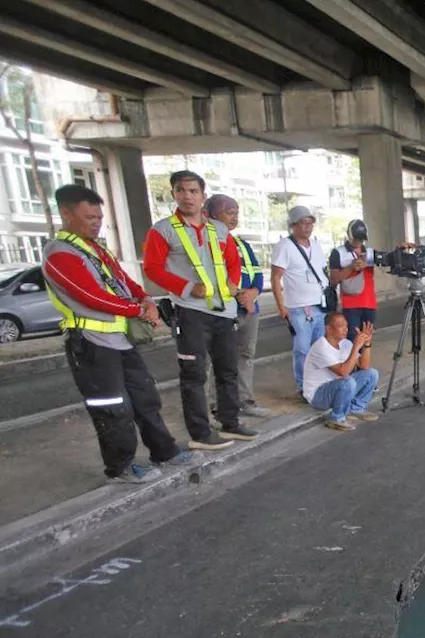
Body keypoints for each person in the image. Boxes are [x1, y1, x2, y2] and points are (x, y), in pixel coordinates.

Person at [42, 184, 195, 483]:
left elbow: (124, 281)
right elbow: (91, 297)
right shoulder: (59, 254)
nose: (97, 222)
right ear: (66, 213)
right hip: (91, 345)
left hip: (120, 341)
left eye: (99, 216)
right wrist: (137, 310)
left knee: (145, 398)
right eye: (89, 217)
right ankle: (121, 467)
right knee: (112, 408)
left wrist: (146, 299)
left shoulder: (95, 250)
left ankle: (164, 452)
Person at [144, 170, 255, 450]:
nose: (187, 196)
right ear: (173, 194)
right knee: (194, 374)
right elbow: (153, 268)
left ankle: (230, 421)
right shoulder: (163, 230)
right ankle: (200, 433)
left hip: (223, 311)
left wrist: (233, 282)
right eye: (181, 191)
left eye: (193, 191)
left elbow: (232, 260)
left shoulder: (218, 229)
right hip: (189, 311)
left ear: (203, 196)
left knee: (227, 369)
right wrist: (185, 287)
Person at [204, 194, 271, 418]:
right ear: (212, 215)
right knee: (221, 358)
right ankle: (218, 404)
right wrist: (242, 296)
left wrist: (252, 293)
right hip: (224, 310)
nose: (235, 217)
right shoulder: (207, 242)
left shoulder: (242, 244)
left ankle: (245, 400)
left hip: (249, 310)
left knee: (245, 356)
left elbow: (257, 273)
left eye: (236, 212)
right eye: (229, 212)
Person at [271, 206, 329, 398]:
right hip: (299, 308)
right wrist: (281, 307)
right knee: (302, 349)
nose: (308, 227)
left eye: (310, 222)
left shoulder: (316, 245)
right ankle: (303, 387)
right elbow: (275, 278)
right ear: (293, 225)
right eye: (303, 223)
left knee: (319, 348)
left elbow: (322, 271)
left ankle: (318, 382)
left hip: (319, 305)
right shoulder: (285, 246)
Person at [302, 312, 380, 431]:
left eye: (346, 326)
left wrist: (367, 344)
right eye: (341, 326)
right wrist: (356, 347)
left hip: (338, 387)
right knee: (347, 381)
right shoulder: (321, 347)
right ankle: (336, 417)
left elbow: (364, 366)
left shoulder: (345, 344)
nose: (345, 329)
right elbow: (343, 372)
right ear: (329, 329)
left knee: (372, 374)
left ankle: (355, 408)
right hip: (318, 396)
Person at [329, 219, 377, 342]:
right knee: (352, 340)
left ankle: (365, 362)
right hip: (351, 306)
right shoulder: (338, 253)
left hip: (369, 303)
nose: (359, 242)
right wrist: (351, 267)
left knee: (367, 340)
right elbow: (334, 280)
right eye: (356, 238)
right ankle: (352, 362)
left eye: (362, 239)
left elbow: (389, 260)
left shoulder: (370, 253)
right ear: (349, 236)